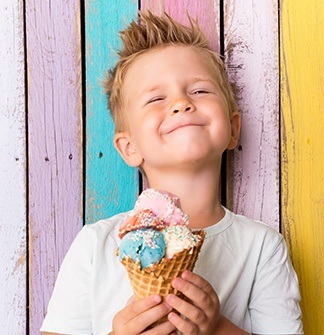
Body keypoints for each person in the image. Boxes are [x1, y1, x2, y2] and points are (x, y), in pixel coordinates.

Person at [41, 10, 303, 335]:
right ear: (129, 147)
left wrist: (217, 327)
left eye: (200, 91)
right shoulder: (95, 245)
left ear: (233, 129)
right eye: (156, 98)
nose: (180, 103)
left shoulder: (262, 247)